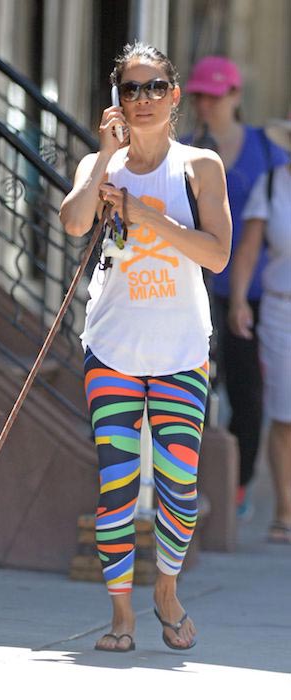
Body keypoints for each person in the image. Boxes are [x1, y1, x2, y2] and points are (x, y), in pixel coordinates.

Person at [59, 41, 231, 652]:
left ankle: (165, 588)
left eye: (154, 87)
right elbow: (74, 222)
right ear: (116, 100)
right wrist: (107, 156)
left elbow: (216, 253)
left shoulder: (199, 167)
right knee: (117, 483)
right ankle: (122, 614)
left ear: (175, 94)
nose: (143, 100)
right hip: (111, 346)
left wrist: (143, 214)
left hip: (183, 348)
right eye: (130, 89)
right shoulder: (98, 164)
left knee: (178, 486)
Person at [183, 56, 289, 518]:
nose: (206, 103)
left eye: (215, 94)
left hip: (250, 292)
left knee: (247, 393)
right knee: (197, 386)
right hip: (193, 285)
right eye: (199, 94)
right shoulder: (183, 148)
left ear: (235, 97)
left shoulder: (267, 151)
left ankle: (240, 483)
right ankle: (194, 482)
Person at [228, 116, 291, 544]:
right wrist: (236, 303)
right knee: (285, 416)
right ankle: (286, 511)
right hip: (281, 312)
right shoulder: (272, 186)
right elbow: (248, 250)